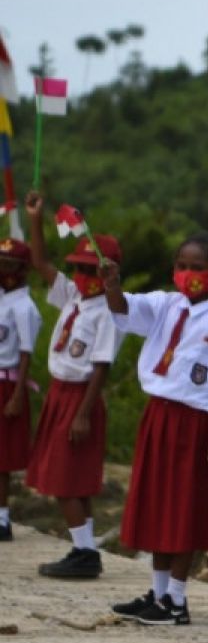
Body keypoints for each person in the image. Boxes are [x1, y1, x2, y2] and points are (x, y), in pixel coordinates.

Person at [99, 233, 208, 626]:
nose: (187, 274)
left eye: (197, 268)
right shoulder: (166, 304)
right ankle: (158, 593)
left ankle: (177, 600)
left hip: (197, 423)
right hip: (159, 416)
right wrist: (112, 286)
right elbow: (125, 309)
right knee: (158, 506)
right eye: (181, 265)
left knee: (185, 509)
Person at [23, 192, 123, 577]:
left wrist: (82, 414)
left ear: (108, 272)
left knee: (64, 479)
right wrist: (36, 219)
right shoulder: (74, 296)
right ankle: (84, 548)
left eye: (90, 271)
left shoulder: (109, 312)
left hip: (81, 397)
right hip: (58, 392)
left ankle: (85, 554)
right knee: (72, 479)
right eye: (78, 269)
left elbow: (101, 366)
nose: (82, 278)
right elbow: (40, 262)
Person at [0, 235, 42, 542]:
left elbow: (26, 351)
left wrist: (17, 395)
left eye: (8, 264)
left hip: (7, 381)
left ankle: (2, 517)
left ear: (22, 269)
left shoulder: (24, 307)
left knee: (3, 457)